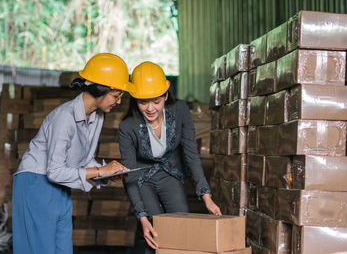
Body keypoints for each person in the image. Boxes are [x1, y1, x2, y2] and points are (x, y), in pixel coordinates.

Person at [12, 53, 131, 253]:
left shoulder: (97, 117)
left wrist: (108, 174)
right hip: (36, 183)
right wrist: (100, 171)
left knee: (63, 249)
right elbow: (55, 171)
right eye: (116, 96)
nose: (118, 102)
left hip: (60, 188)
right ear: (100, 89)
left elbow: (83, 161)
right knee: (40, 249)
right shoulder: (64, 117)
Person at [119, 61, 222, 253]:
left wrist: (206, 196)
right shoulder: (127, 127)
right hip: (142, 180)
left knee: (181, 227)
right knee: (154, 232)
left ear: (166, 95)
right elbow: (129, 175)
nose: (150, 108)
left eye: (156, 101)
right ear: (134, 99)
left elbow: (191, 154)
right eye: (143, 102)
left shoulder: (180, 110)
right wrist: (141, 216)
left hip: (171, 175)